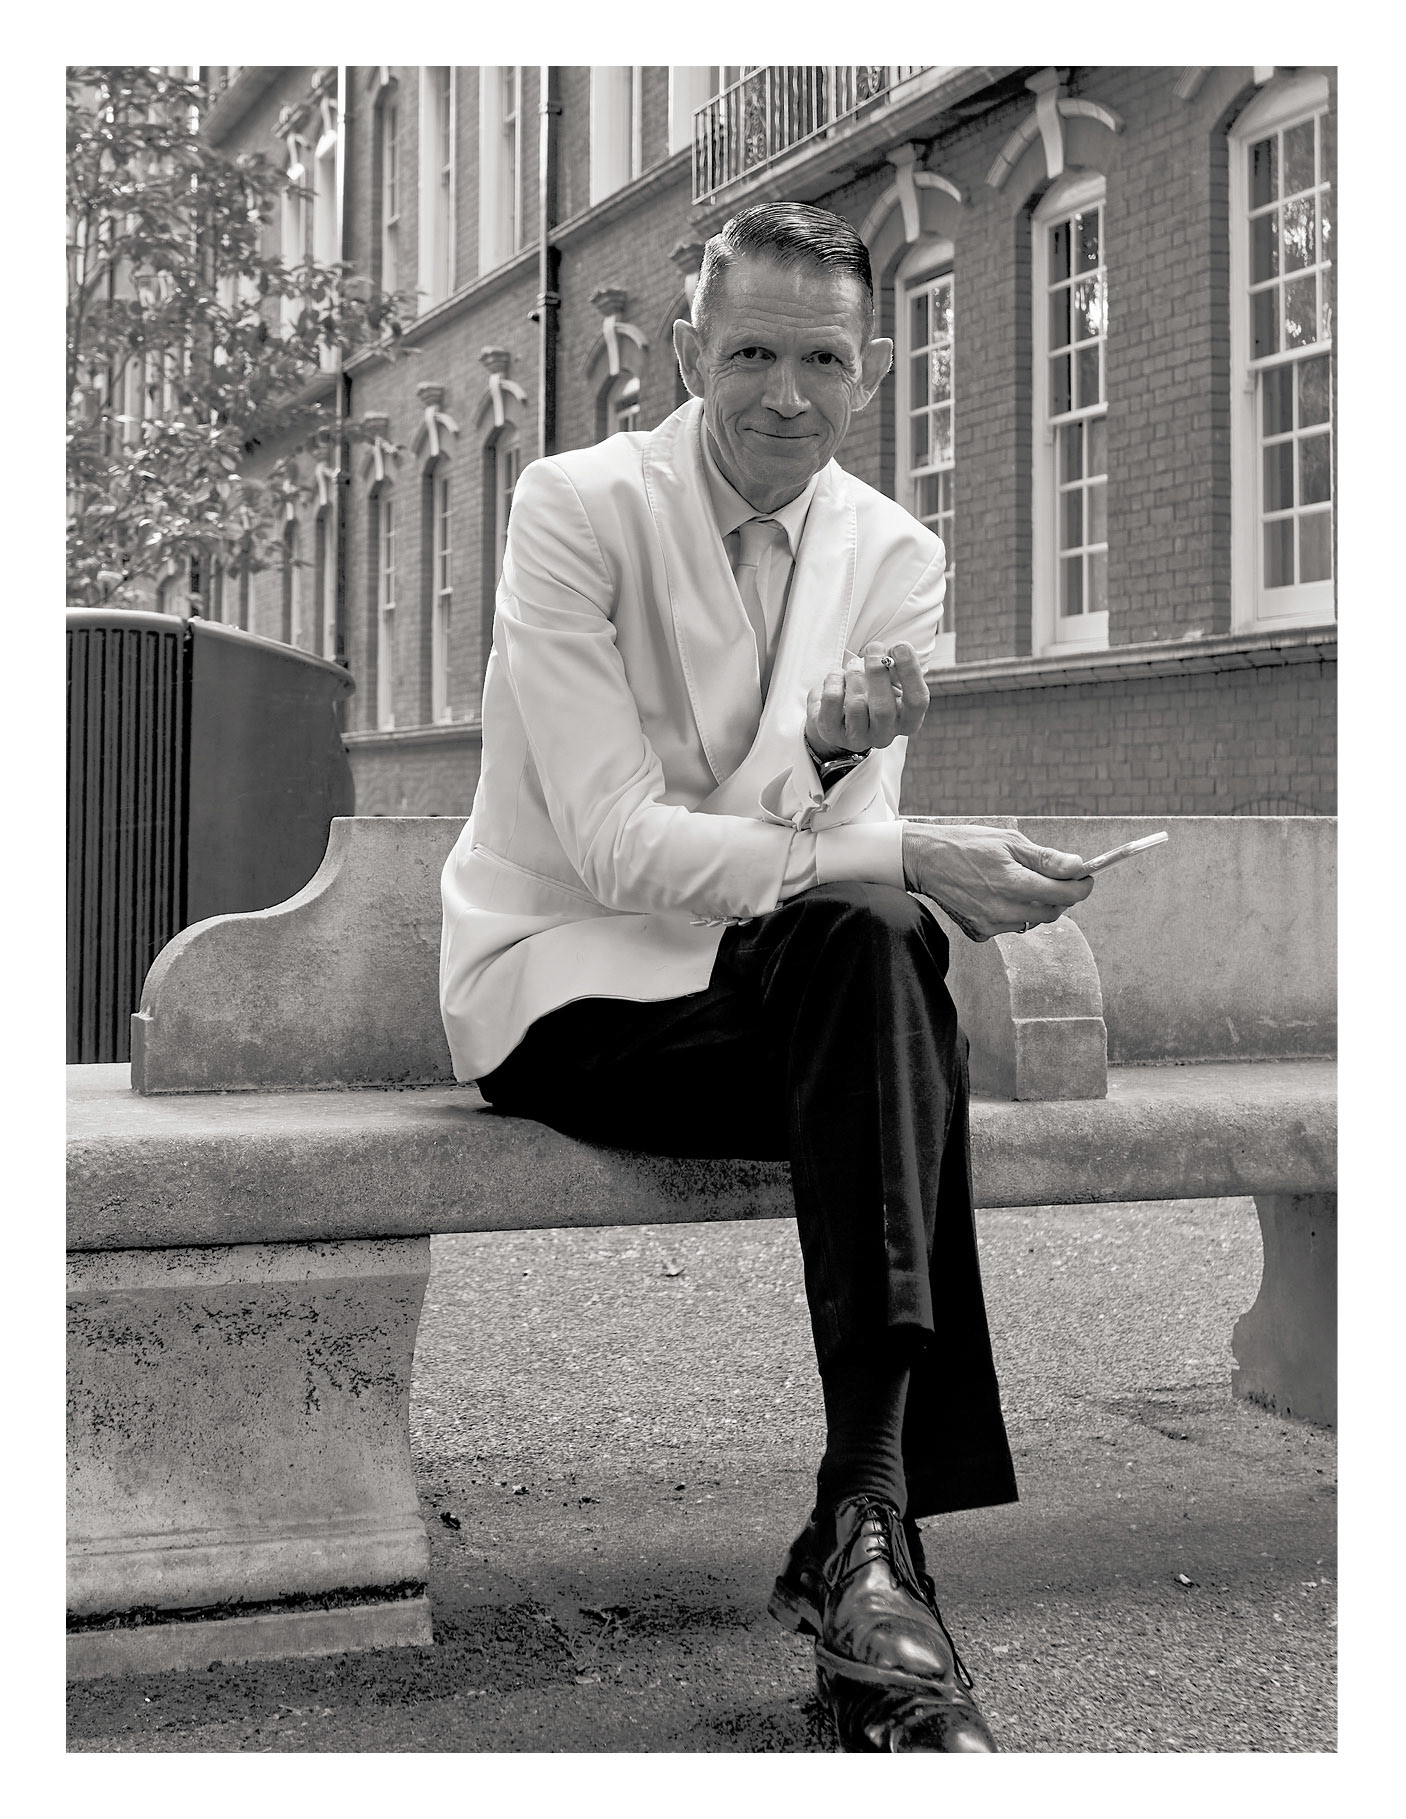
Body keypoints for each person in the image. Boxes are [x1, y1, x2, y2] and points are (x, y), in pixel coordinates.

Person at [439, 201, 1095, 1753]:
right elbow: (611, 846)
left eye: (822, 361)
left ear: (872, 372)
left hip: (773, 996)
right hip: (567, 992)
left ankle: (862, 1524)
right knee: (893, 980)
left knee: (881, 949)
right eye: (749, 354)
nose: (784, 396)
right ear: (687, 354)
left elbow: (836, 870)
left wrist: (840, 768)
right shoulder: (576, 507)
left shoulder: (895, 555)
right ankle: (873, 1555)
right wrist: (891, 832)